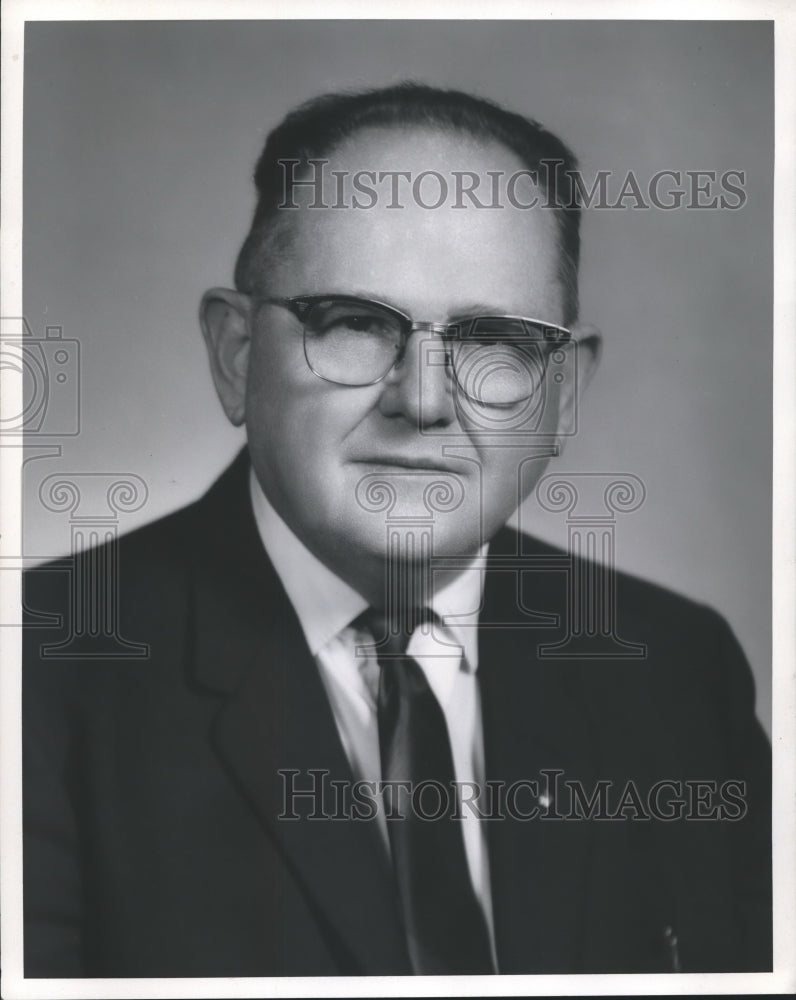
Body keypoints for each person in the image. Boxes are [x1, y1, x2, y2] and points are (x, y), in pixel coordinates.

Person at [23, 83, 771, 978]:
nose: (422, 400)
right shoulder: (37, 675)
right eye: (354, 324)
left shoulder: (676, 669)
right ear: (234, 356)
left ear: (562, 393)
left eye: (494, 340)